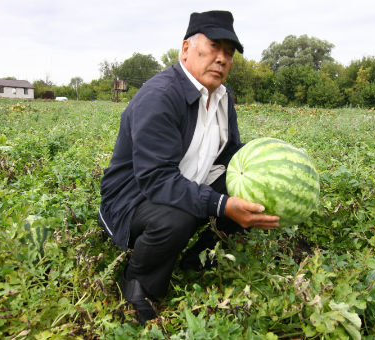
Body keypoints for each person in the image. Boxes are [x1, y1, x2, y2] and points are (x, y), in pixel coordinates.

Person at [98, 10, 279, 325]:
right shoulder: (159, 97)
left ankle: (198, 259)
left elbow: (230, 155)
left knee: (245, 187)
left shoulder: (223, 97)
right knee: (177, 217)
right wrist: (221, 204)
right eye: (213, 47)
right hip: (134, 200)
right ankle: (139, 282)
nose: (222, 58)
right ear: (185, 49)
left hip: (186, 184)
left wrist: (263, 173)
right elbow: (156, 180)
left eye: (229, 52)